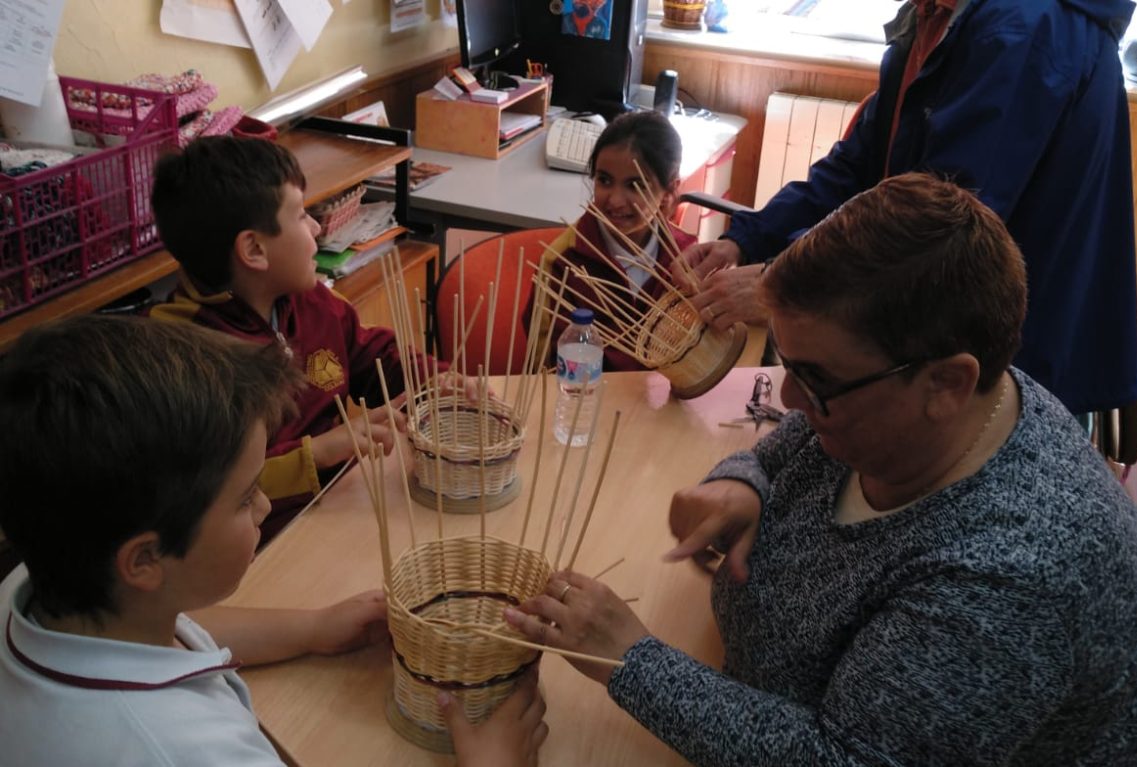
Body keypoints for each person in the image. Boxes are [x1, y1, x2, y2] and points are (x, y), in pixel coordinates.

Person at [505, 174, 1137, 764]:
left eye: (815, 379)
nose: (791, 401)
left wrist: (632, 660)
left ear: (947, 383)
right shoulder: (924, 396)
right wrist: (743, 480)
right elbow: (793, 442)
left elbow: (846, 753)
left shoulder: (1011, 580)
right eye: (787, 366)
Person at [0, 316, 548, 766]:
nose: (265, 506)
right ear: (144, 559)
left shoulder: (39, 586)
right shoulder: (192, 752)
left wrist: (308, 629)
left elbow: (166, 627)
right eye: (245, 498)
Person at [674, 0, 1137, 417]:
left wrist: (785, 280)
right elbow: (857, 165)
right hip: (947, 331)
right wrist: (747, 239)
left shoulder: (1021, 27)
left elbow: (942, 228)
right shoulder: (933, 18)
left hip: (1013, 361)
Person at [149, 136, 451, 542]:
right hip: (261, 541)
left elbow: (368, 353)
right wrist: (320, 451)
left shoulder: (310, 298)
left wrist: (433, 381)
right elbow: (209, 489)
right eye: (301, 215)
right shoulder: (185, 355)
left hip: (340, 503)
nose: (315, 227)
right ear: (254, 249)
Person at [526, 110, 696, 371]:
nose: (615, 200)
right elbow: (542, 373)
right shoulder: (562, 262)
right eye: (604, 180)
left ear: (670, 191)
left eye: (635, 185)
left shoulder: (687, 259)